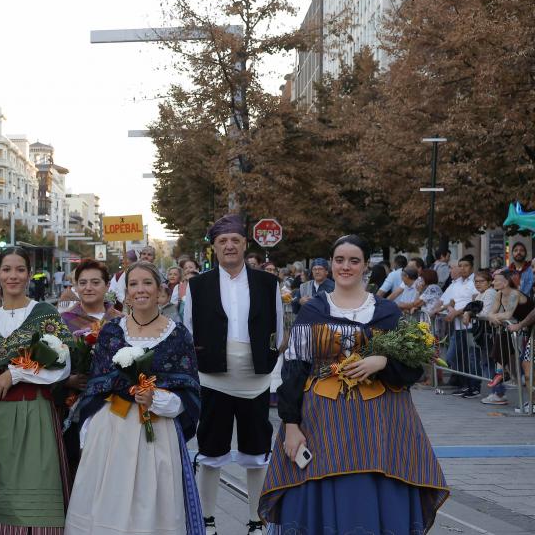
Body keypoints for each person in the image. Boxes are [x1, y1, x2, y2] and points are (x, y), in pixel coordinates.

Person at [260, 235, 448, 534]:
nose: (345, 266)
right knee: (325, 484)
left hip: (382, 421)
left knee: (376, 486)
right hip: (323, 418)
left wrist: (383, 361)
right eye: (339, 260)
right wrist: (291, 425)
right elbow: (294, 370)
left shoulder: (387, 311)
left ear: (365, 268)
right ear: (331, 264)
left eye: (354, 260)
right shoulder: (312, 312)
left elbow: (414, 367)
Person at [65, 262, 204, 535]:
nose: (140, 290)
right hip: (112, 429)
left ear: (160, 289)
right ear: (126, 293)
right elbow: (98, 385)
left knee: (153, 503)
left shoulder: (177, 334)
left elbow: (188, 391)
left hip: (158, 431)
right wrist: (88, 432)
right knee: (108, 502)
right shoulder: (112, 331)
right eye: (134, 284)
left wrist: (157, 399)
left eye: (147, 283)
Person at [181, 215, 285, 535]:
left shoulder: (268, 283)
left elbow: (278, 330)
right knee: (211, 450)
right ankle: (207, 520)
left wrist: (273, 372)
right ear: (214, 247)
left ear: (244, 244)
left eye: (235, 240)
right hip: (213, 378)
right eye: (223, 241)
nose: (229, 245)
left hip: (255, 379)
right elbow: (188, 330)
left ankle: (257, 520)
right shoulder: (197, 285)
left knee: (256, 452)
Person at [0, 246, 74, 534]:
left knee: (34, 482)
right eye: (7, 270)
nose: (13, 276)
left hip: (33, 412)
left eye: (20, 270)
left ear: (28, 274)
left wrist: (14, 373)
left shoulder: (44, 313)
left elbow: (61, 366)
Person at [58, 258, 123, 476]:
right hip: (77, 407)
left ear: (106, 286)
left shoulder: (122, 321)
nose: (88, 288)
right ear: (75, 287)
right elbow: (50, 365)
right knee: (81, 466)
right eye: (83, 282)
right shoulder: (63, 321)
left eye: (95, 282)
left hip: (116, 405)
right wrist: (68, 380)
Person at [431, 256, 479, 395]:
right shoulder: (457, 283)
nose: (462, 268)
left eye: (466, 266)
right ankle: (464, 384)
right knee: (453, 357)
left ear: (471, 267)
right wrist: (451, 310)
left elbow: (474, 303)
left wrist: (457, 312)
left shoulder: (474, 282)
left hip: (470, 326)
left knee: (471, 358)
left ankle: (473, 386)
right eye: (460, 265)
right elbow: (451, 301)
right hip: (457, 326)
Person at [481, 269, 526, 405]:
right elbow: (490, 313)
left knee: (522, 366)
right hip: (510, 330)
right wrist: (493, 316)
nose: (493, 282)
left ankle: (504, 379)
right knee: (504, 356)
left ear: (505, 282)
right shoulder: (499, 294)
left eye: (496, 280)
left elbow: (507, 315)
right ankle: (502, 380)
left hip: (525, 330)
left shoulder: (514, 294)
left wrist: (494, 317)